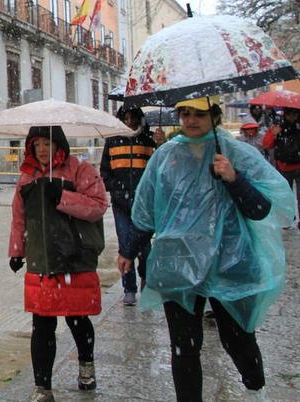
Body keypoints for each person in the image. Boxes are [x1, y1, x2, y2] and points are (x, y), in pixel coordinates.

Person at [118, 96, 293, 402]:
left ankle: (256, 390)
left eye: (199, 113)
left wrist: (233, 178)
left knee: (237, 337)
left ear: (214, 115)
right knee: (184, 345)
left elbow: (262, 208)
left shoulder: (236, 153)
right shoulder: (166, 156)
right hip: (180, 260)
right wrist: (129, 249)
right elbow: (147, 208)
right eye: (185, 113)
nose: (191, 120)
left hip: (231, 259)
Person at [9, 126, 108, 402]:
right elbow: (19, 216)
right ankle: (43, 387)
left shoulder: (80, 169)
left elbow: (99, 205)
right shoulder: (26, 177)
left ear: (59, 144)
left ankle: (86, 363)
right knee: (42, 324)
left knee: (77, 318)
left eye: (47, 143)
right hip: (41, 260)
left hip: (74, 258)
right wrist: (17, 250)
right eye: (36, 144)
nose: (42, 149)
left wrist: (62, 197)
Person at [100, 106, 159, 306]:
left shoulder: (149, 141)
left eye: (133, 117)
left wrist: (161, 144)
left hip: (144, 205)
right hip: (121, 204)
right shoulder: (112, 141)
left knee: (144, 247)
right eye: (125, 117)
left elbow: (160, 168)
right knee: (125, 244)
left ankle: (146, 280)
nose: (129, 121)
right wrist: (117, 188)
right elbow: (105, 172)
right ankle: (129, 288)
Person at [262, 106, 300, 229]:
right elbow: (266, 144)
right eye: (290, 114)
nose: (292, 117)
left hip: (298, 165)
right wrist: (273, 134)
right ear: (285, 114)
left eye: (295, 114)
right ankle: (288, 219)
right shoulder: (277, 127)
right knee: (285, 196)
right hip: (283, 167)